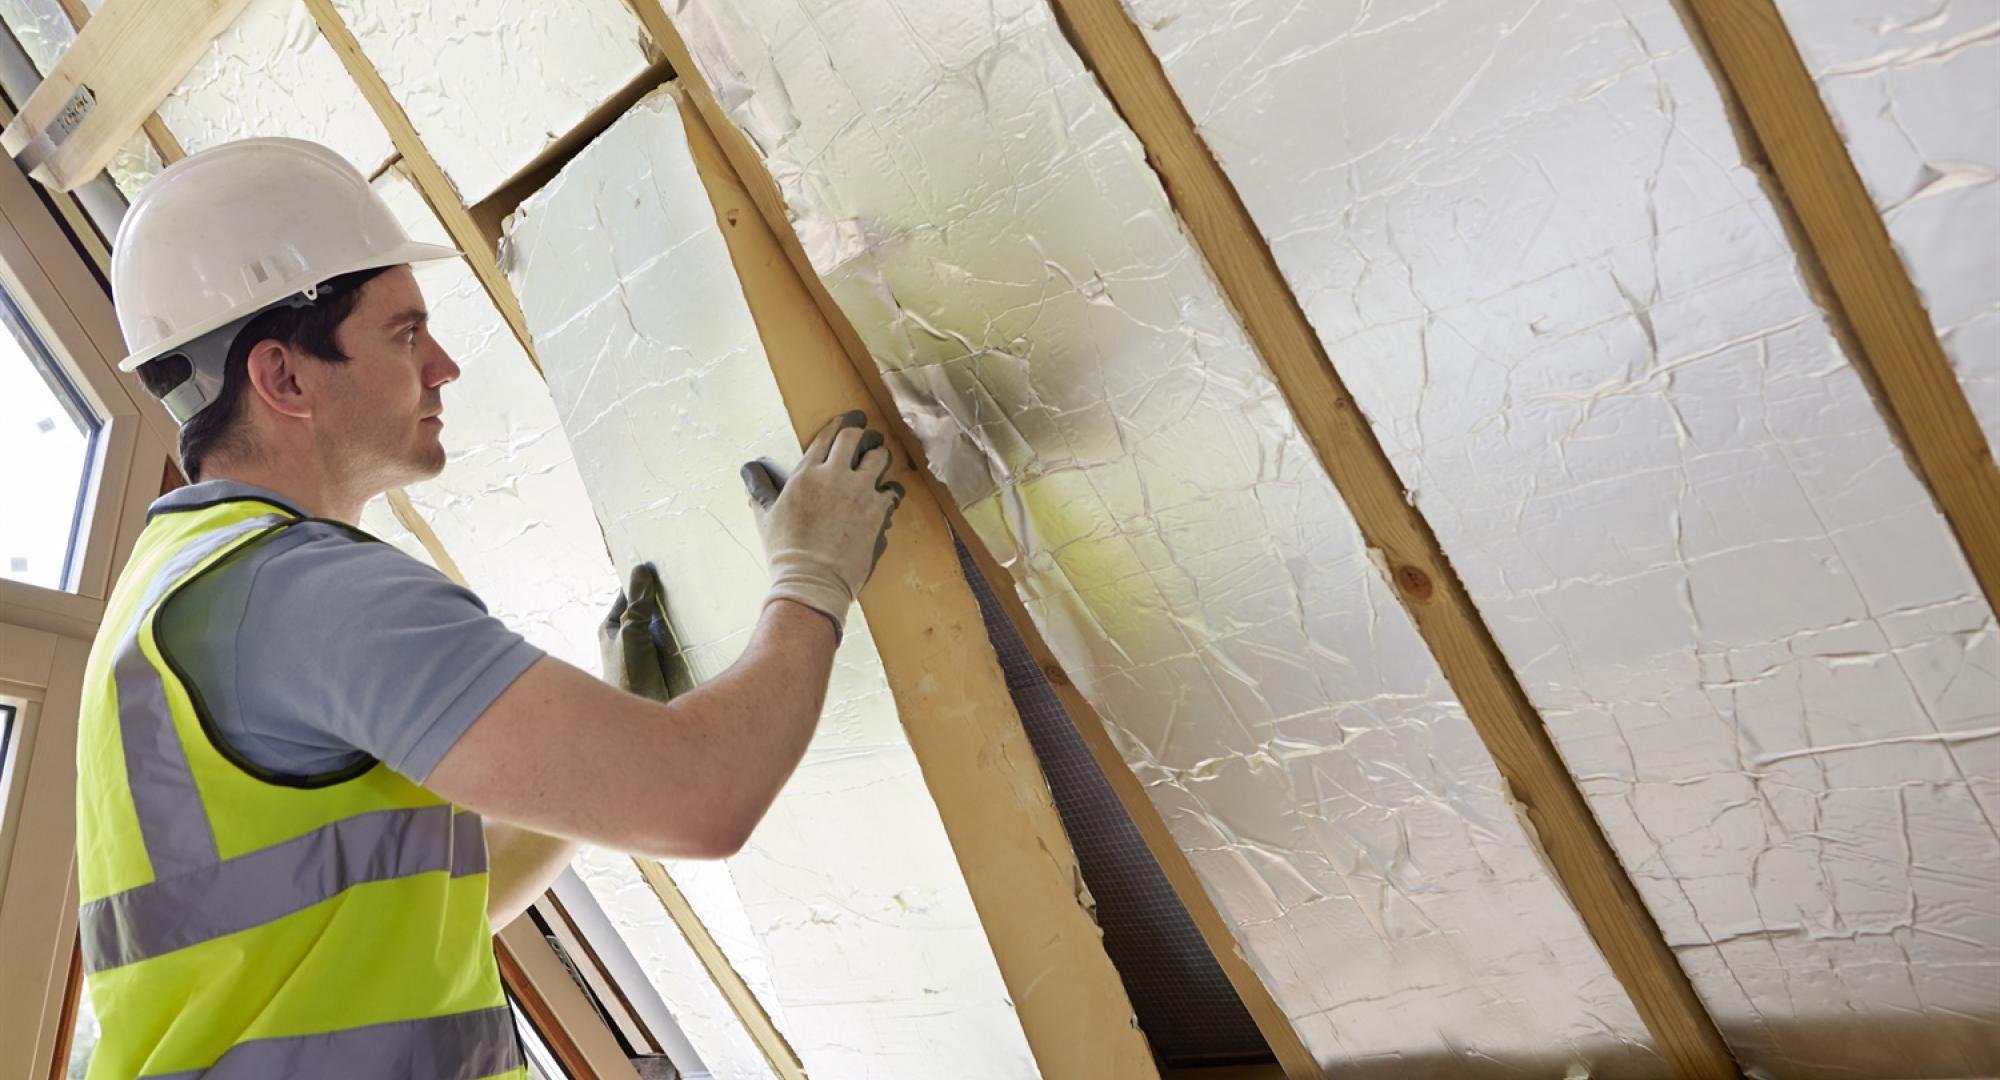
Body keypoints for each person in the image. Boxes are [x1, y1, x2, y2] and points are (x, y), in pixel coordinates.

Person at [73, 137, 902, 1079]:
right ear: (285, 379)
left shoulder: (169, 592)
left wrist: (586, 763)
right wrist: (812, 575)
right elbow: (703, 802)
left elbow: (417, 919)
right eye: (404, 333)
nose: (446, 367)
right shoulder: (303, 593)